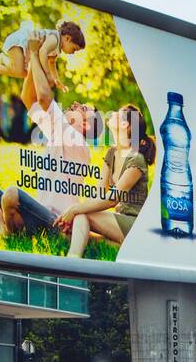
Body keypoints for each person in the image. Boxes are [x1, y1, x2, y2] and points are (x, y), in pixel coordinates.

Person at [0, 32, 104, 235]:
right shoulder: (59, 133)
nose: (76, 104)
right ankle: (7, 231)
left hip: (54, 221)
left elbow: (44, 97)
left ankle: (8, 233)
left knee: (11, 194)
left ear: (86, 126)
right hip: (37, 211)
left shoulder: (75, 139)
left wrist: (35, 54)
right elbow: (29, 99)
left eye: (82, 109)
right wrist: (29, 67)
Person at [55, 103, 154, 257]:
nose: (111, 114)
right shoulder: (111, 153)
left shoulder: (137, 159)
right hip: (118, 222)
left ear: (125, 124)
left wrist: (75, 209)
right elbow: (99, 194)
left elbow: (111, 200)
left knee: (82, 216)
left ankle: (72, 260)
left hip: (134, 224)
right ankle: (116, 246)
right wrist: (76, 213)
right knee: (73, 230)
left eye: (116, 113)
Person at [0, 19, 85, 91]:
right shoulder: (54, 39)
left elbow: (51, 62)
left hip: (24, 48)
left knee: (23, 73)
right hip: (19, 41)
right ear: (67, 38)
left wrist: (56, 79)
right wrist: (47, 73)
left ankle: (1, 64)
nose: (73, 53)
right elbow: (42, 51)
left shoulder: (57, 48)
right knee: (19, 71)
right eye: (74, 49)